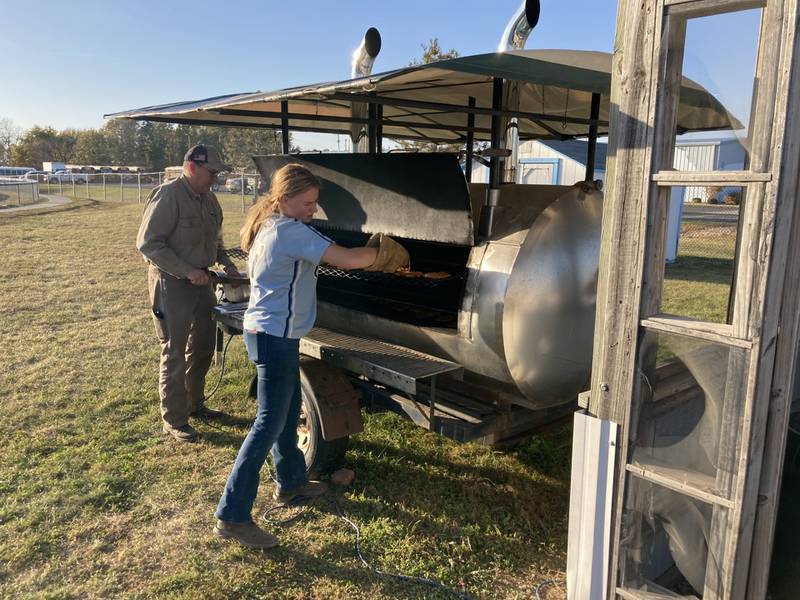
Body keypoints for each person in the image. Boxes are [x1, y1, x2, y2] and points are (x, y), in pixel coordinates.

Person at [213, 163, 408, 549]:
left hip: (266, 333)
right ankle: (232, 514)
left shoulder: (270, 225)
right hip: (274, 337)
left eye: (315, 203)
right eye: (307, 202)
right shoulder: (289, 231)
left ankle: (290, 483)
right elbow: (347, 261)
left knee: (285, 414)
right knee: (267, 423)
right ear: (284, 199)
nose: (313, 210)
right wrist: (384, 256)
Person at [136, 144, 242, 443]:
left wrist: (227, 261)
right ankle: (175, 419)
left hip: (203, 283)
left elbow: (215, 238)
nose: (215, 179)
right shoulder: (168, 195)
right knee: (175, 350)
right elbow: (149, 244)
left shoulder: (209, 199)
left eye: (218, 174)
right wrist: (187, 271)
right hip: (172, 284)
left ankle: (195, 404)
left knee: (204, 345)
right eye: (212, 172)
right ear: (192, 167)